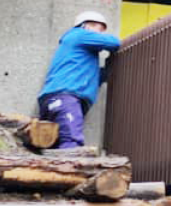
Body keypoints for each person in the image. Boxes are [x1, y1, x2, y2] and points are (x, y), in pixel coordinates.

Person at [35, 11, 122, 151]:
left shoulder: (81, 53)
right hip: (66, 98)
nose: (99, 35)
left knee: (52, 146)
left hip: (56, 98)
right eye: (97, 29)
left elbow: (97, 77)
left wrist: (108, 66)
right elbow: (114, 42)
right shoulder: (79, 35)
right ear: (86, 25)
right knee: (71, 145)